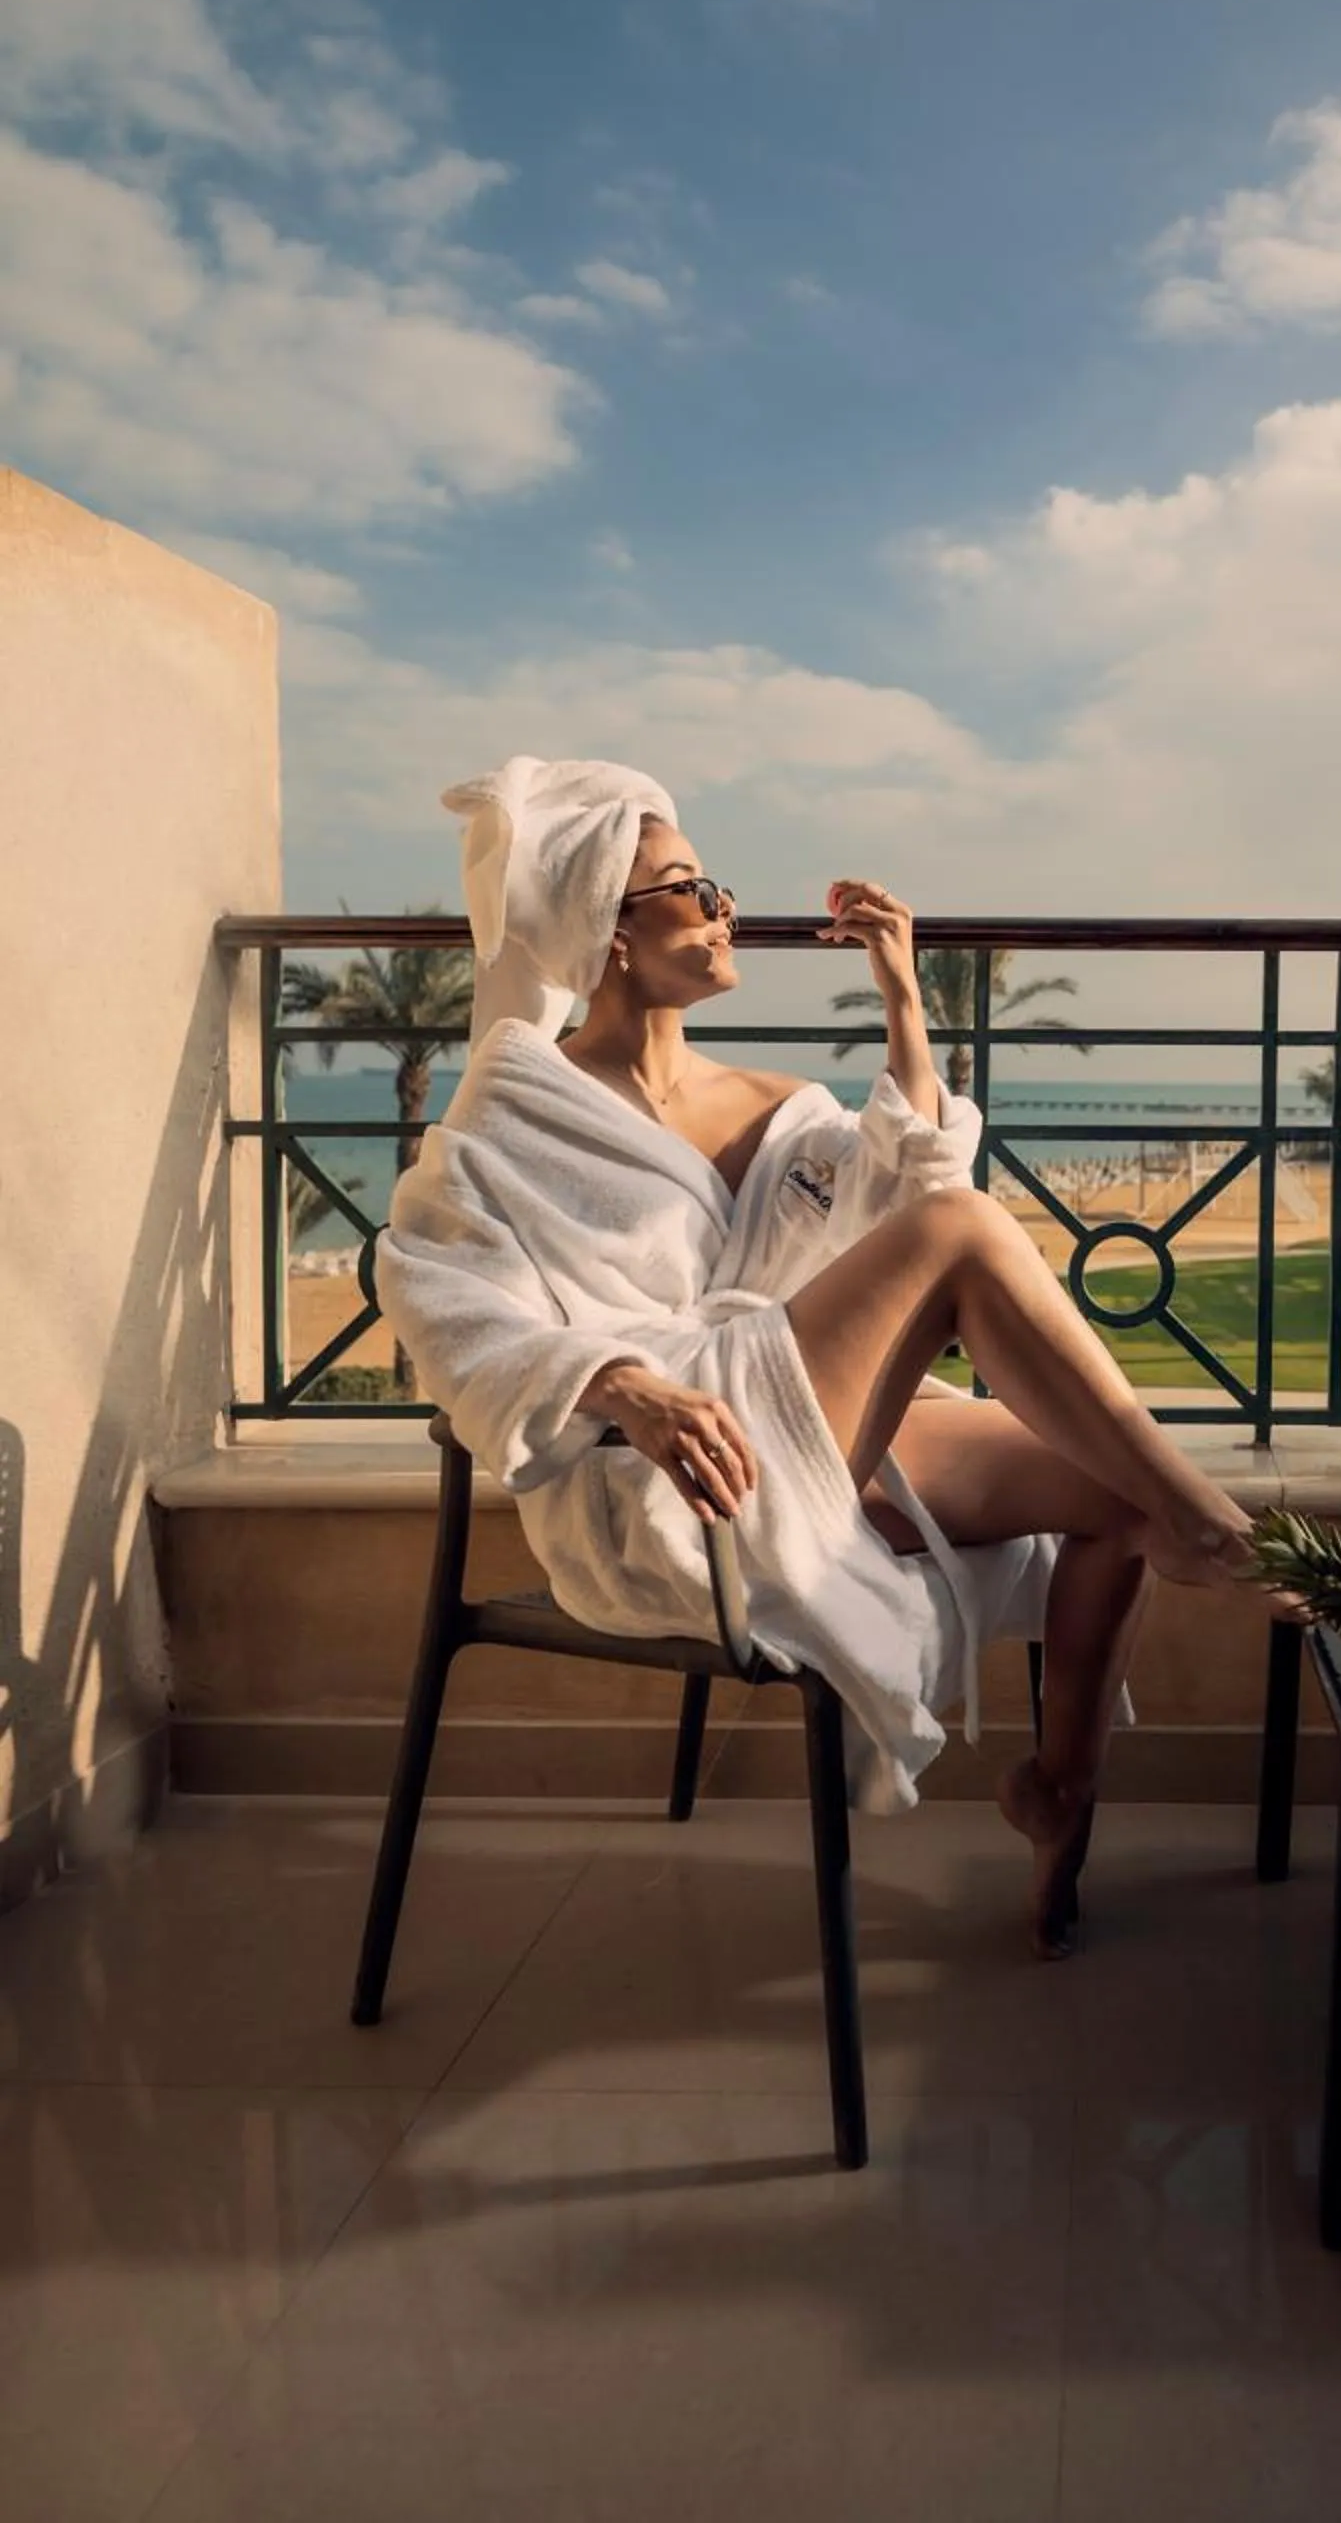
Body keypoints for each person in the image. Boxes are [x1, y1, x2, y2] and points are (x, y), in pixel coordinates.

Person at [375, 756, 1280, 1957]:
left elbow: (915, 1207)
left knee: (1111, 1491)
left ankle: (1060, 1790)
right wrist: (616, 1383)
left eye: (714, 884)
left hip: (814, 1411)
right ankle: (1221, 1531)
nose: (721, 906)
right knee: (968, 1249)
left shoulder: (773, 1101)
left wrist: (904, 1004)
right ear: (605, 931)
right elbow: (442, 1303)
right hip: (685, 1460)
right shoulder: (512, 1120)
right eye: (685, 888)